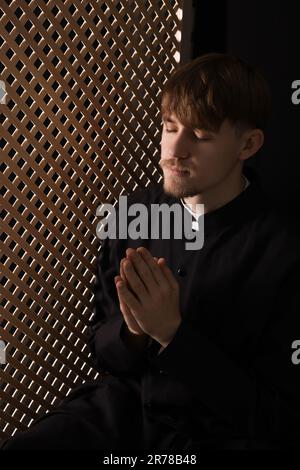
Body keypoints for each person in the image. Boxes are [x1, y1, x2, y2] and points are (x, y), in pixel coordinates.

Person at [1, 52, 300, 451]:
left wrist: (173, 335)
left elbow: (279, 417)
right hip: (125, 411)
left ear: (248, 144)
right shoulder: (133, 215)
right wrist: (134, 332)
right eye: (170, 127)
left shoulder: (286, 251)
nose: (174, 149)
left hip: (216, 434)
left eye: (202, 135)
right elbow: (104, 352)